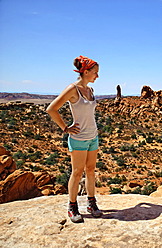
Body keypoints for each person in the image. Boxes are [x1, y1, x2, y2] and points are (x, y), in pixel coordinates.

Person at [47, 55, 102, 223]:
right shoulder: (73, 89)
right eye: (95, 72)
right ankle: (72, 206)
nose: (97, 76)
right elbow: (51, 109)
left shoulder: (90, 90)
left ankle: (91, 203)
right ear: (85, 72)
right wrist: (65, 128)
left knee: (91, 170)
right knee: (77, 172)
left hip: (93, 137)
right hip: (78, 138)